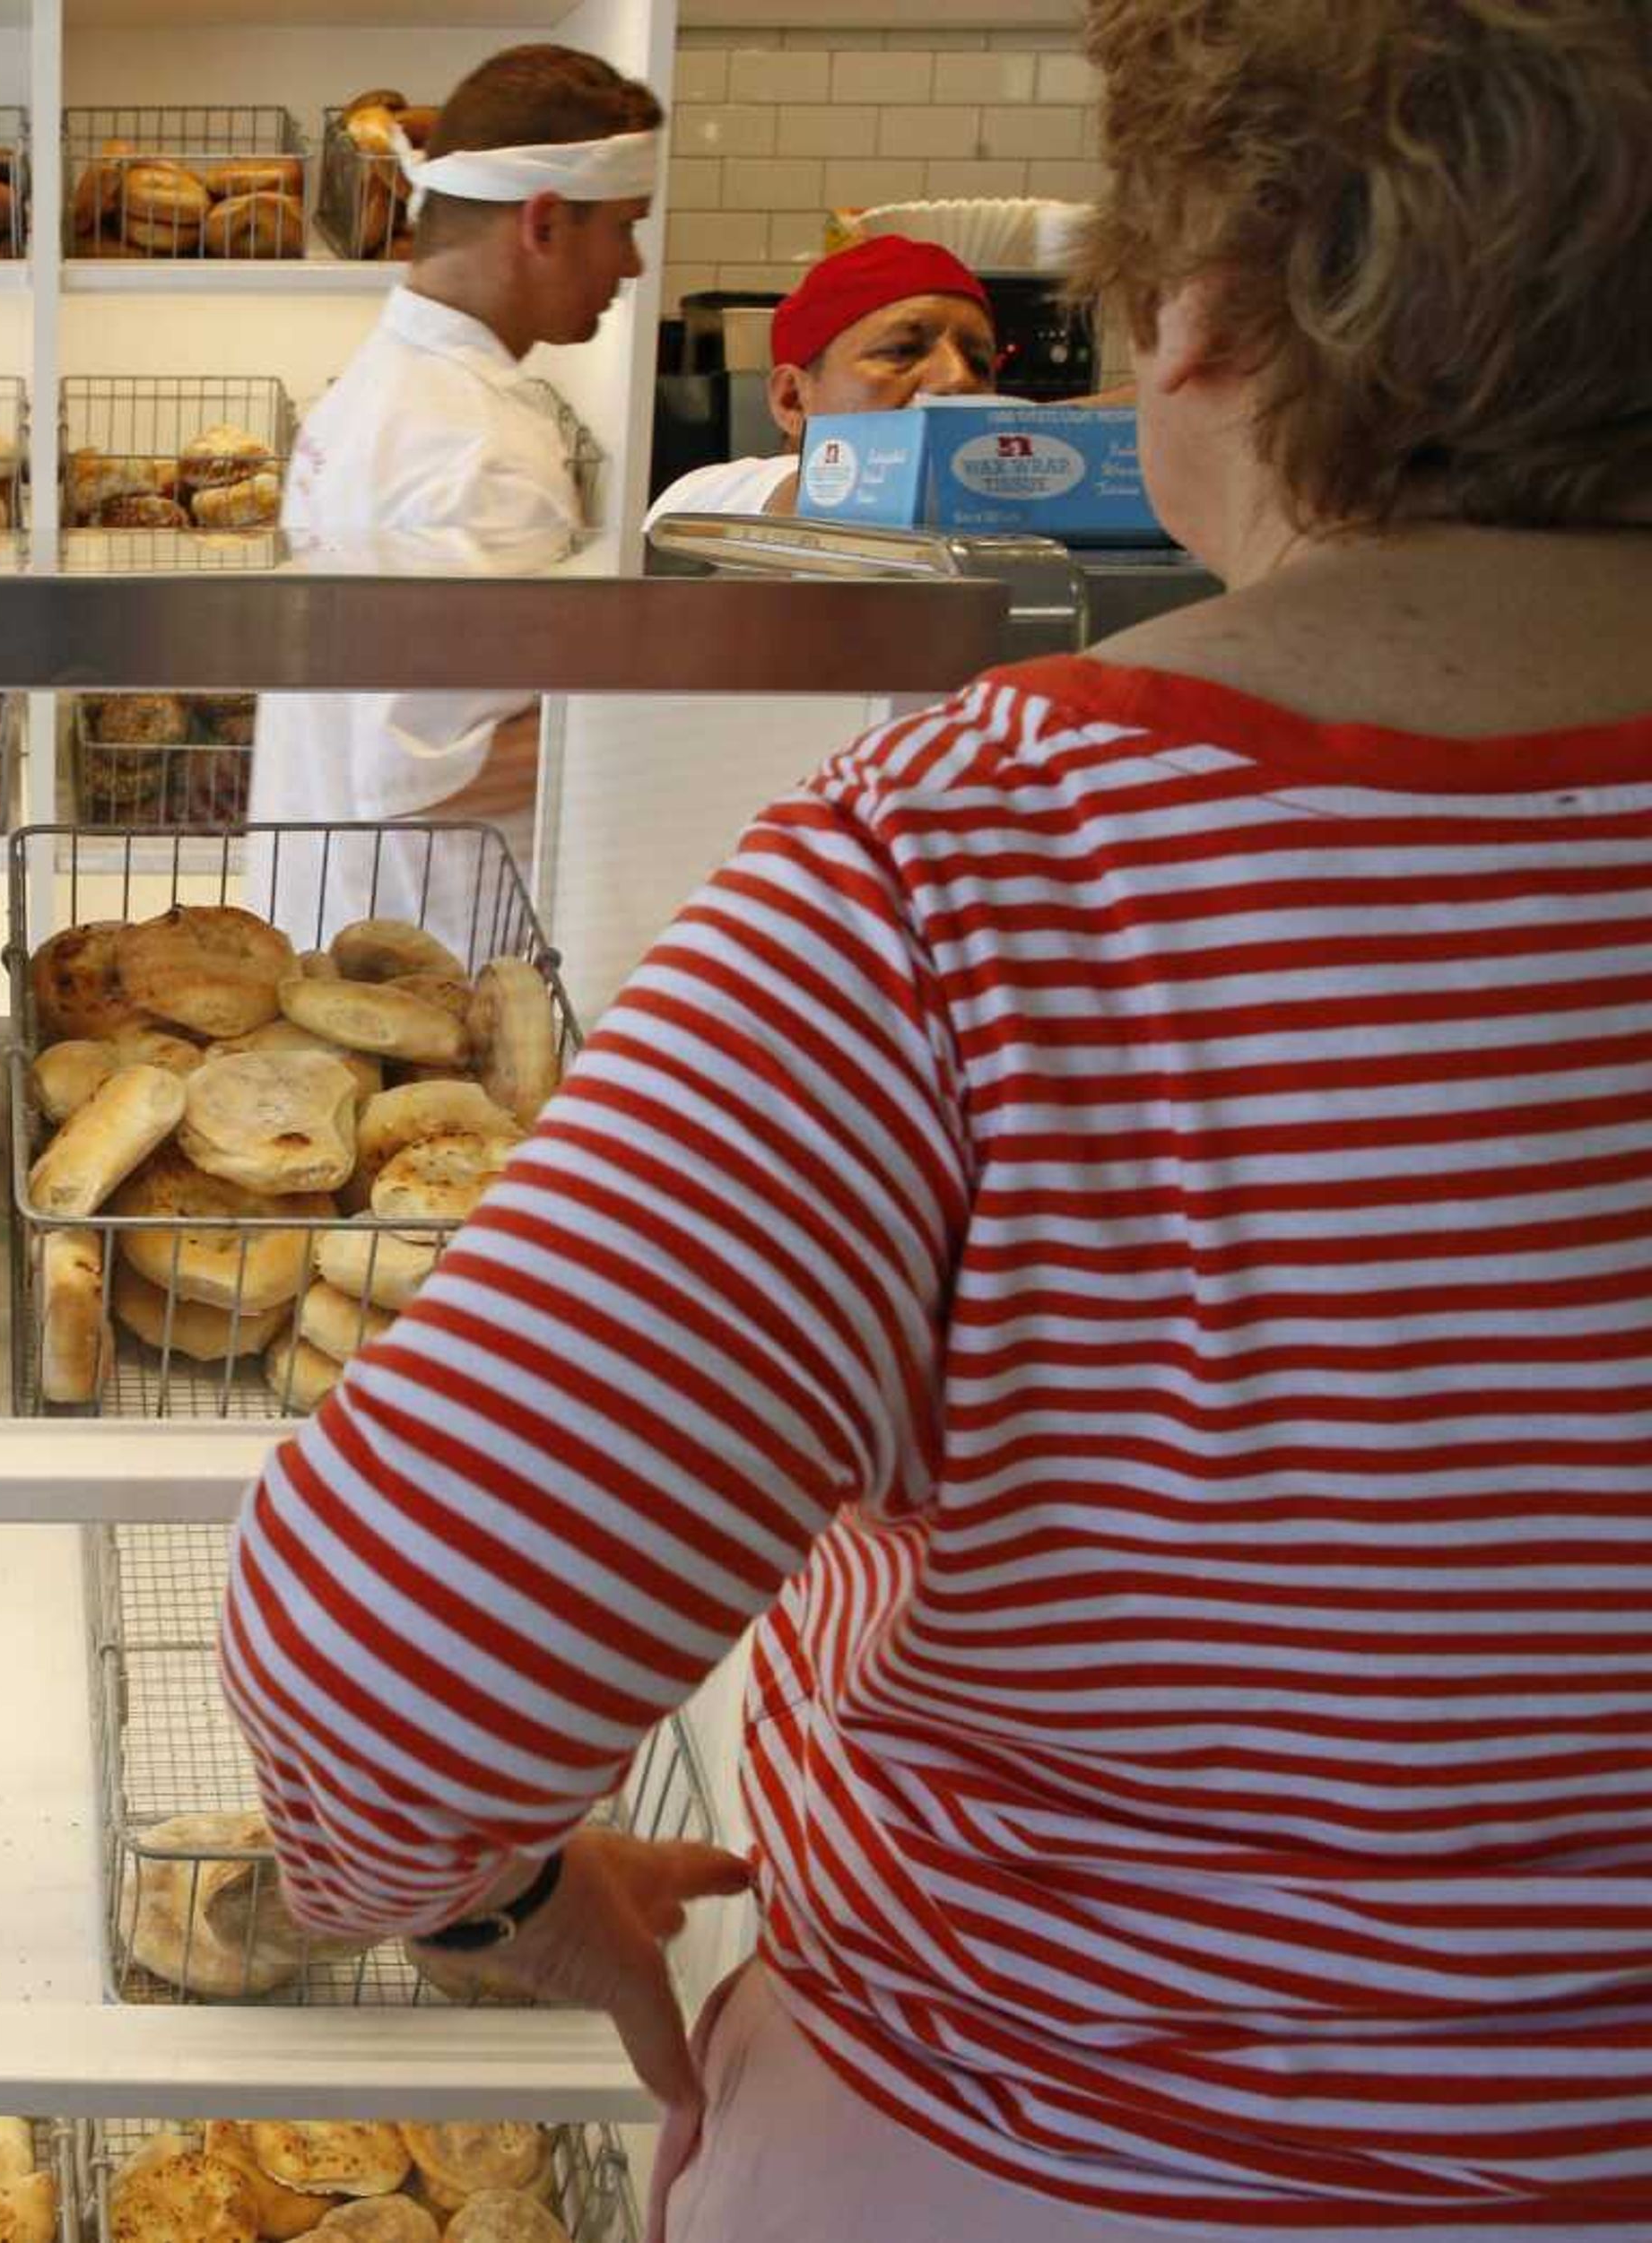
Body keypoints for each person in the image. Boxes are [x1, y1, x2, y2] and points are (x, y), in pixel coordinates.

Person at [221, 0, 1652, 2235]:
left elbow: (382, 1653)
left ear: (1204, 319)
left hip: (1029, 2142)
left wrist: (506, 1907)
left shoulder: (983, 864)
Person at [250, 44, 661, 957]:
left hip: (333, 927)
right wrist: (666, 717)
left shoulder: (378, 390)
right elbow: (426, 775)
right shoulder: (474, 444)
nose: (632, 265)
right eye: (626, 226)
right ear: (545, 223)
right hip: (431, 978)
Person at [647, 233, 1000, 523]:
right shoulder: (709, 497)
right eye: (902, 350)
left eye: (979, 363)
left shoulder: (994, 530)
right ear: (793, 399)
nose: (958, 379)